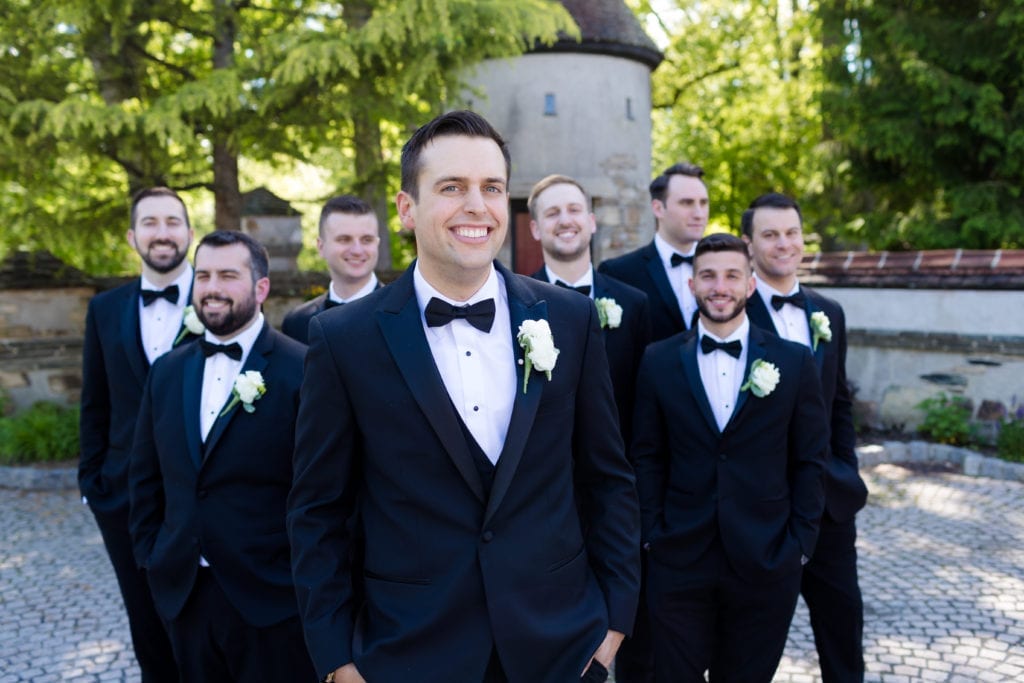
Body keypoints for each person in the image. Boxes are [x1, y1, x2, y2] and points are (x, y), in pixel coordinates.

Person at [287, 110, 640, 683]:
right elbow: (317, 510)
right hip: (409, 653)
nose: (477, 205)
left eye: (492, 188)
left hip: (562, 648)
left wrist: (613, 625)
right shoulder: (343, 338)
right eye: (452, 187)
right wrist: (338, 659)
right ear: (407, 209)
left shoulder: (570, 320)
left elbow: (607, 477)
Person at [631, 232, 828, 682]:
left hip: (766, 559)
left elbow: (810, 459)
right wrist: (652, 535)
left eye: (732, 276)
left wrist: (799, 545)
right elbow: (646, 455)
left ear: (750, 285)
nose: (720, 286)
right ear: (692, 285)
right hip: (678, 558)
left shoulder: (794, 363)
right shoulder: (657, 360)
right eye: (709, 276)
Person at [128, 231, 315, 681]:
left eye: (228, 275)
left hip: (272, 600)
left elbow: (323, 490)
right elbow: (146, 478)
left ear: (261, 288)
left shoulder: (304, 369)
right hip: (186, 595)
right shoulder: (167, 373)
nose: (212, 287)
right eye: (205, 274)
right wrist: (153, 559)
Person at [742, 192, 869, 682]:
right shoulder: (733, 313)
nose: (784, 244)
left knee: (843, 635)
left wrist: (846, 470)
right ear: (750, 244)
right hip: (766, 511)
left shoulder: (829, 312)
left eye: (791, 233)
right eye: (770, 235)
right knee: (754, 645)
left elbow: (840, 403)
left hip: (831, 506)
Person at [78, 186, 198, 683]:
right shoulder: (104, 310)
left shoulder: (220, 299)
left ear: (190, 233)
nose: (163, 233)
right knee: (144, 618)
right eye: (150, 223)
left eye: (173, 221)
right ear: (132, 236)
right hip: (124, 495)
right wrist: (93, 487)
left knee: (203, 614)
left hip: (200, 493)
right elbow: (95, 402)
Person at [527, 173, 651, 443]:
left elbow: (645, 406)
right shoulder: (518, 305)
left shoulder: (634, 304)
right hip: (545, 472)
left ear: (591, 222)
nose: (565, 220)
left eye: (574, 210)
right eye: (552, 213)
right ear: (535, 229)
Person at [598, 163, 709, 341]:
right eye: (687, 203)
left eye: (703, 203)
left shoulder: (726, 271)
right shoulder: (618, 273)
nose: (699, 213)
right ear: (658, 208)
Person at [282, 195, 382, 344]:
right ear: (321, 247)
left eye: (367, 240)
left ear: (377, 243)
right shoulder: (297, 323)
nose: (357, 250)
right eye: (344, 239)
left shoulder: (407, 314)